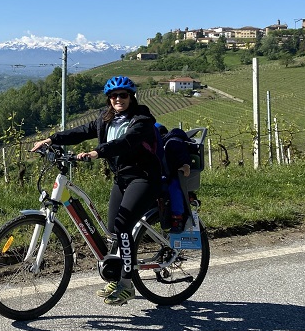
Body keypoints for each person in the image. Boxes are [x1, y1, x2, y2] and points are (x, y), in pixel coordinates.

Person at [32, 75, 162, 306]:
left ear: (131, 97)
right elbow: (81, 131)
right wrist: (51, 139)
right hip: (122, 179)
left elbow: (126, 142)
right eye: (113, 96)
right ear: (108, 100)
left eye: (123, 95)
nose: (118, 99)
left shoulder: (142, 120)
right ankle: (118, 268)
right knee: (114, 230)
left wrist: (97, 152)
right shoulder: (105, 119)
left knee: (123, 225)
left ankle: (126, 283)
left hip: (143, 178)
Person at [156, 124, 193, 233]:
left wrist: (185, 165)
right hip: (167, 174)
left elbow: (182, 157)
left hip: (174, 176)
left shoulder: (173, 142)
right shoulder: (165, 142)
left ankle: (178, 218)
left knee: (174, 188)